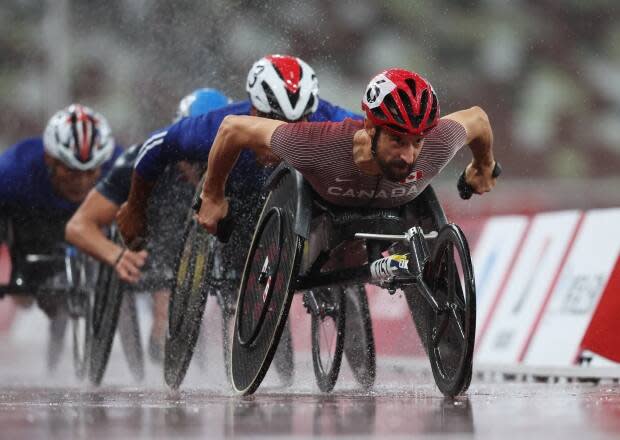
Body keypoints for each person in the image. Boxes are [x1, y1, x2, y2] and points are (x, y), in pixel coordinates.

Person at [116, 54, 362, 385]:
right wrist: (134, 208)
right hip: (240, 207)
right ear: (253, 111)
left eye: (297, 125)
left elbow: (381, 140)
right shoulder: (219, 124)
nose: (282, 136)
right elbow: (154, 149)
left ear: (311, 113)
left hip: (307, 202)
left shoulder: (331, 119)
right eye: (273, 122)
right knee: (232, 238)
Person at [186, 68, 498, 236]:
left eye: (418, 141)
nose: (408, 155)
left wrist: (483, 167)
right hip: (325, 214)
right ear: (370, 128)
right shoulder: (317, 144)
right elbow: (233, 128)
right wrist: (213, 193)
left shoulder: (439, 143)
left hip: (400, 212)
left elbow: (478, 119)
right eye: (397, 141)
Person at [65, 88, 231, 362]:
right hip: (153, 243)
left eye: (212, 159)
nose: (203, 170)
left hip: (216, 238)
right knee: (165, 285)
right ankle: (162, 329)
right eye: (195, 159)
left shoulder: (243, 159)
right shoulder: (142, 160)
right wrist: (115, 255)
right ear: (180, 143)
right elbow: (78, 226)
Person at [0, 103, 122, 367]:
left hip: (94, 220)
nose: (80, 181)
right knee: (29, 298)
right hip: (34, 218)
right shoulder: (13, 170)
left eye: (90, 172)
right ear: (49, 160)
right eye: (71, 170)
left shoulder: (120, 165)